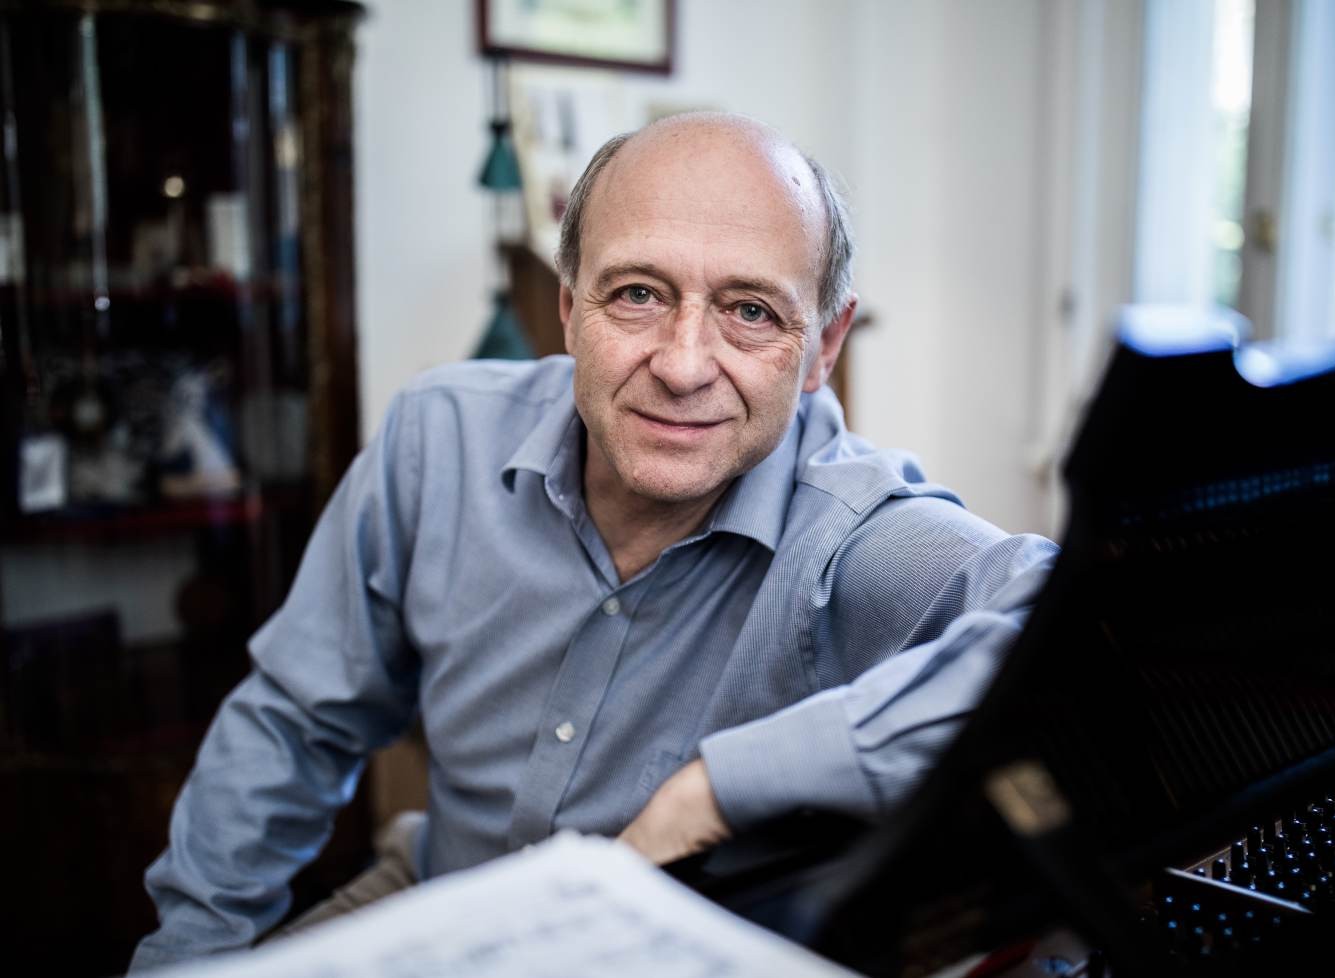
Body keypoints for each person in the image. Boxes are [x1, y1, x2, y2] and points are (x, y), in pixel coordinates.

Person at [131, 113, 1056, 971]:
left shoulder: (857, 536)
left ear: (823, 347)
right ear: (570, 307)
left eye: (750, 311)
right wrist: (188, 952)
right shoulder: (438, 440)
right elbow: (297, 721)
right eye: (639, 294)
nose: (683, 366)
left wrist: (718, 789)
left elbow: (1073, 633)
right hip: (441, 895)